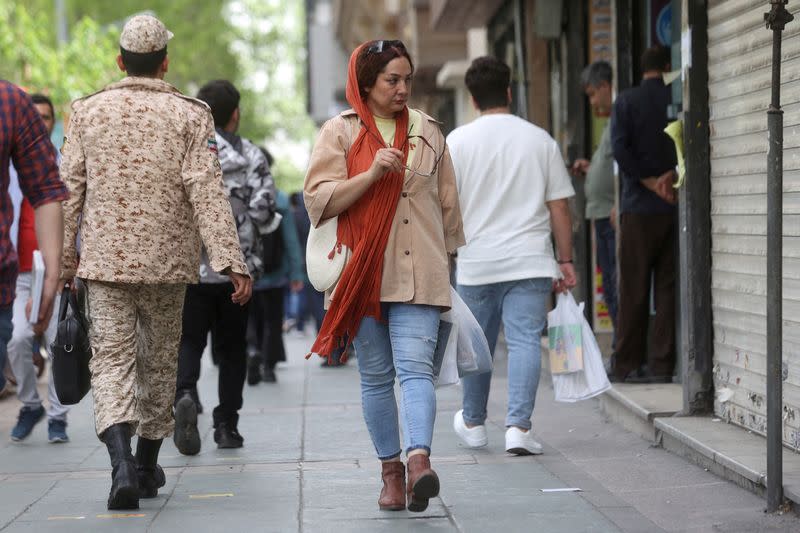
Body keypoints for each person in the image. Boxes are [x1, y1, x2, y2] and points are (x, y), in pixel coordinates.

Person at [60, 15, 252, 511]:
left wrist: (64, 265)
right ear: (165, 63)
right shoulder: (192, 115)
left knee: (112, 363)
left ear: (120, 61)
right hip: (169, 266)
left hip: (104, 265)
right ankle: (146, 465)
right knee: (159, 362)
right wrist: (231, 260)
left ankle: (121, 464)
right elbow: (208, 191)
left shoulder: (86, 112)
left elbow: (68, 196)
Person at [303, 40, 464, 513]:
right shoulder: (340, 132)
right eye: (392, 80)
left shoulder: (429, 131)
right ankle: (390, 474)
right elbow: (317, 200)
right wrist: (371, 173)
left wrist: (449, 263)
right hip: (362, 274)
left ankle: (419, 463)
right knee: (376, 378)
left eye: (407, 79)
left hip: (421, 271)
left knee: (416, 372)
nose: (402, 88)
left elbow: (448, 204)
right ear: (367, 82)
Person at [446, 56, 577, 455]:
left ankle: (473, 422)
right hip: (530, 260)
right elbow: (559, 208)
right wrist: (566, 261)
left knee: (477, 345)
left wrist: (448, 254)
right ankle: (518, 429)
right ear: (509, 92)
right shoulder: (540, 140)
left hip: (476, 262)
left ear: (471, 99)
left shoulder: (456, 142)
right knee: (523, 342)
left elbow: (446, 206)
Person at [173, 79, 278, 455]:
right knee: (232, 349)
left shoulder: (184, 152)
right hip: (239, 271)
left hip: (191, 269)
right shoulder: (250, 155)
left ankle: (184, 392)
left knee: (188, 340)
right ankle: (226, 426)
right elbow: (265, 209)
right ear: (235, 114)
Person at [609, 45, 677, 383]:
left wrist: (648, 182)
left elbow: (619, 148)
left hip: (638, 208)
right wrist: (671, 178)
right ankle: (663, 365)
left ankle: (626, 365)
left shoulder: (626, 101)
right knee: (666, 290)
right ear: (668, 66)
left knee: (633, 288)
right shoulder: (677, 97)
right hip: (673, 206)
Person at [8, 94, 70, 443]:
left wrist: (69, 267)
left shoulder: (66, 165)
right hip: (18, 272)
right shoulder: (10, 167)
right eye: (34, 117)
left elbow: (76, 219)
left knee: (58, 343)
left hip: (54, 270)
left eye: (45, 117)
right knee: (17, 340)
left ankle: (58, 418)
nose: (39, 123)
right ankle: (31, 405)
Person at [570, 61, 618, 353]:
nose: (592, 101)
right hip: (601, 214)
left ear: (604, 87)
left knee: (614, 281)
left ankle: (621, 346)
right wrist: (592, 167)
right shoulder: (610, 120)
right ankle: (619, 345)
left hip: (610, 215)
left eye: (592, 94)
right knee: (609, 281)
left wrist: (619, 204)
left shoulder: (619, 116)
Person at [246, 186, 304, 385]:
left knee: (250, 318)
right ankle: (269, 367)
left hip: (247, 273)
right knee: (273, 321)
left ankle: (252, 350)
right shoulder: (278, 198)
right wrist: (296, 272)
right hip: (275, 273)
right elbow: (290, 239)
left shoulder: (238, 193)